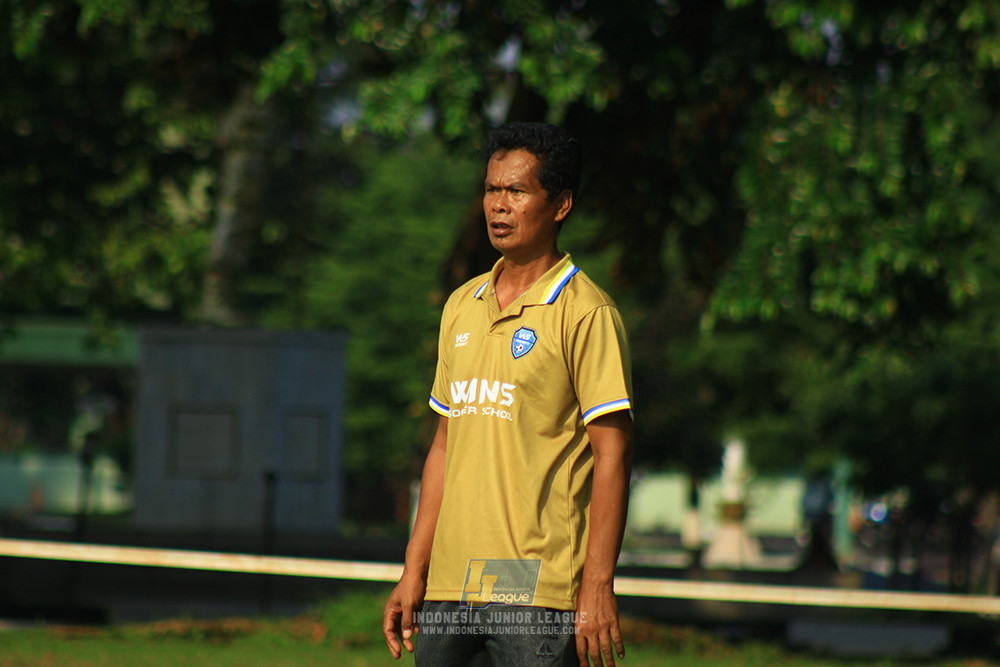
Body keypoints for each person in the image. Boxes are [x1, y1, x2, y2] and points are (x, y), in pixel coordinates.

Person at [383, 122, 633, 667]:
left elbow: (612, 454)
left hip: (534, 590)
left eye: (516, 191)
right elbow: (444, 446)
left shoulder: (586, 312)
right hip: (450, 587)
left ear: (560, 204)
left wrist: (598, 584)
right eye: (492, 190)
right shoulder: (461, 305)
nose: (498, 205)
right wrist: (414, 568)